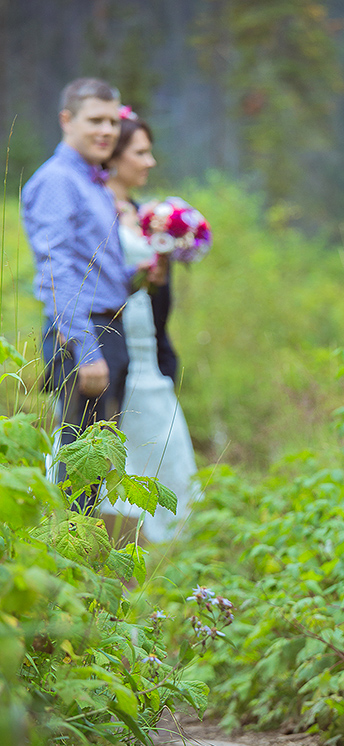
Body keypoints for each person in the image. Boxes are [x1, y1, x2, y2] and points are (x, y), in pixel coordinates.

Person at [22, 78, 131, 504]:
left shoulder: (90, 179)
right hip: (84, 333)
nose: (107, 131)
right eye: (95, 121)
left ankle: (84, 559)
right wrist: (86, 349)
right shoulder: (58, 181)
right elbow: (56, 269)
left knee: (95, 463)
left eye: (112, 121)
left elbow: (98, 262)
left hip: (106, 327)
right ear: (67, 120)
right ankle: (68, 559)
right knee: (79, 465)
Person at [101, 108, 198, 542]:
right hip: (109, 354)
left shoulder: (141, 213)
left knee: (163, 461)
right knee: (108, 473)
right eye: (141, 152)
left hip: (147, 355)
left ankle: (134, 576)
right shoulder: (93, 210)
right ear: (114, 155)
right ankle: (105, 576)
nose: (150, 162)